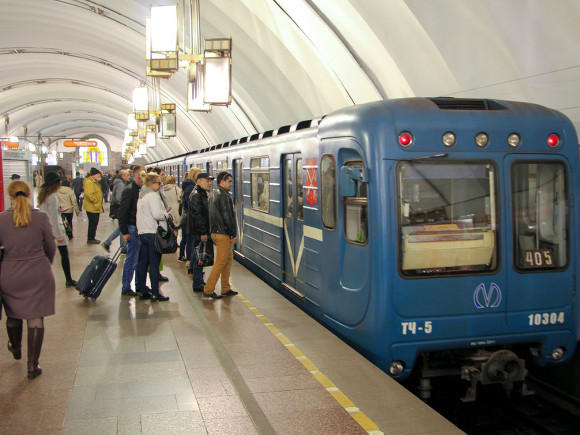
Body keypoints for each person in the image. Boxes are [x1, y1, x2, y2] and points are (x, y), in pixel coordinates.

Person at [0, 180, 56, 379]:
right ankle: (33, 365)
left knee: (13, 315)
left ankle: (15, 348)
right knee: (35, 318)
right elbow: (51, 245)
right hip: (38, 271)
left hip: (10, 272)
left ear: (10, 196)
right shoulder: (40, 218)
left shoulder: (1, 220)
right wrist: (44, 263)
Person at [135, 172, 171, 302]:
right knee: (154, 264)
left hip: (143, 233)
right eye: (158, 183)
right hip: (153, 233)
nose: (160, 185)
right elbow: (157, 215)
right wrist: (166, 214)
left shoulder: (142, 196)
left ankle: (143, 291)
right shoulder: (153, 196)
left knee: (143, 263)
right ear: (150, 183)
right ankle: (155, 293)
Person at [38, 172, 77, 288]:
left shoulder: (43, 196)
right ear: (55, 183)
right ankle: (68, 279)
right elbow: (54, 218)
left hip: (44, 230)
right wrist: (58, 235)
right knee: (64, 255)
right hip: (54, 231)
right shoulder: (53, 197)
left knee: (45, 257)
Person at [203, 171, 238, 299]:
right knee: (221, 262)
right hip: (222, 233)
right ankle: (208, 290)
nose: (231, 184)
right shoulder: (223, 196)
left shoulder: (214, 193)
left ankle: (225, 288)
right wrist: (232, 233)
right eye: (229, 181)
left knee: (228, 259)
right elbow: (227, 216)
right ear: (221, 182)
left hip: (217, 232)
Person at [119, 165, 144, 296]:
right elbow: (122, 212)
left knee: (140, 259)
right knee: (132, 258)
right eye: (141, 174)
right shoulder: (129, 191)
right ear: (135, 174)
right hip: (132, 228)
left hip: (141, 228)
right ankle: (126, 286)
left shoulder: (143, 190)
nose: (143, 177)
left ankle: (140, 285)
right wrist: (124, 232)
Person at [189, 173, 212, 292]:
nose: (210, 183)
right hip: (198, 231)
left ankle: (198, 280)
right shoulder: (196, 195)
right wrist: (203, 232)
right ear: (199, 181)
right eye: (207, 181)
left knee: (197, 256)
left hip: (198, 230)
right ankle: (197, 283)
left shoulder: (200, 193)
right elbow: (197, 215)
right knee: (199, 257)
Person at [102, 168, 131, 252]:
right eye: (128, 175)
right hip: (119, 208)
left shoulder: (119, 183)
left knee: (122, 227)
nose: (129, 176)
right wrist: (126, 204)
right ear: (123, 176)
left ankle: (114, 244)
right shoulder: (121, 184)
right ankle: (122, 247)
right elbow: (119, 198)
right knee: (123, 227)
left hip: (118, 207)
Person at [178, 168, 201, 264]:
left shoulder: (188, 186)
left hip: (188, 218)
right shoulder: (191, 188)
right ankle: (190, 261)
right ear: (193, 175)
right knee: (191, 240)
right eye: (198, 174)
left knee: (188, 239)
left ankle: (189, 260)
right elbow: (189, 203)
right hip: (190, 219)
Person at [83, 167, 103, 244]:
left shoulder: (94, 182)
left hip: (94, 206)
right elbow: (89, 194)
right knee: (93, 222)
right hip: (92, 207)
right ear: (95, 175)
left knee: (94, 223)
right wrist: (96, 202)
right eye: (99, 175)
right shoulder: (89, 182)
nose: (99, 177)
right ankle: (90, 238)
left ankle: (92, 237)